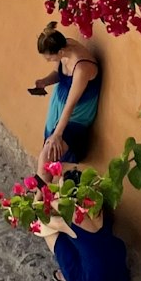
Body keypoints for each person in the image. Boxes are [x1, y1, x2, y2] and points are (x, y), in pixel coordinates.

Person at [33, 171, 130, 281]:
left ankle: (68, 276)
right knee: (89, 244)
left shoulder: (72, 216)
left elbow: (40, 220)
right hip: (119, 277)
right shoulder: (98, 204)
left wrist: (37, 196)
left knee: (50, 232)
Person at [30, 22, 101, 173]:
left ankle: (39, 194)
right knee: (48, 156)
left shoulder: (82, 68)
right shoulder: (65, 45)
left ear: (60, 52)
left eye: (50, 58)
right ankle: (41, 192)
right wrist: (44, 81)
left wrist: (57, 134)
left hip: (75, 116)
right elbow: (58, 74)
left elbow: (71, 104)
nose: (50, 61)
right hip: (58, 111)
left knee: (47, 154)